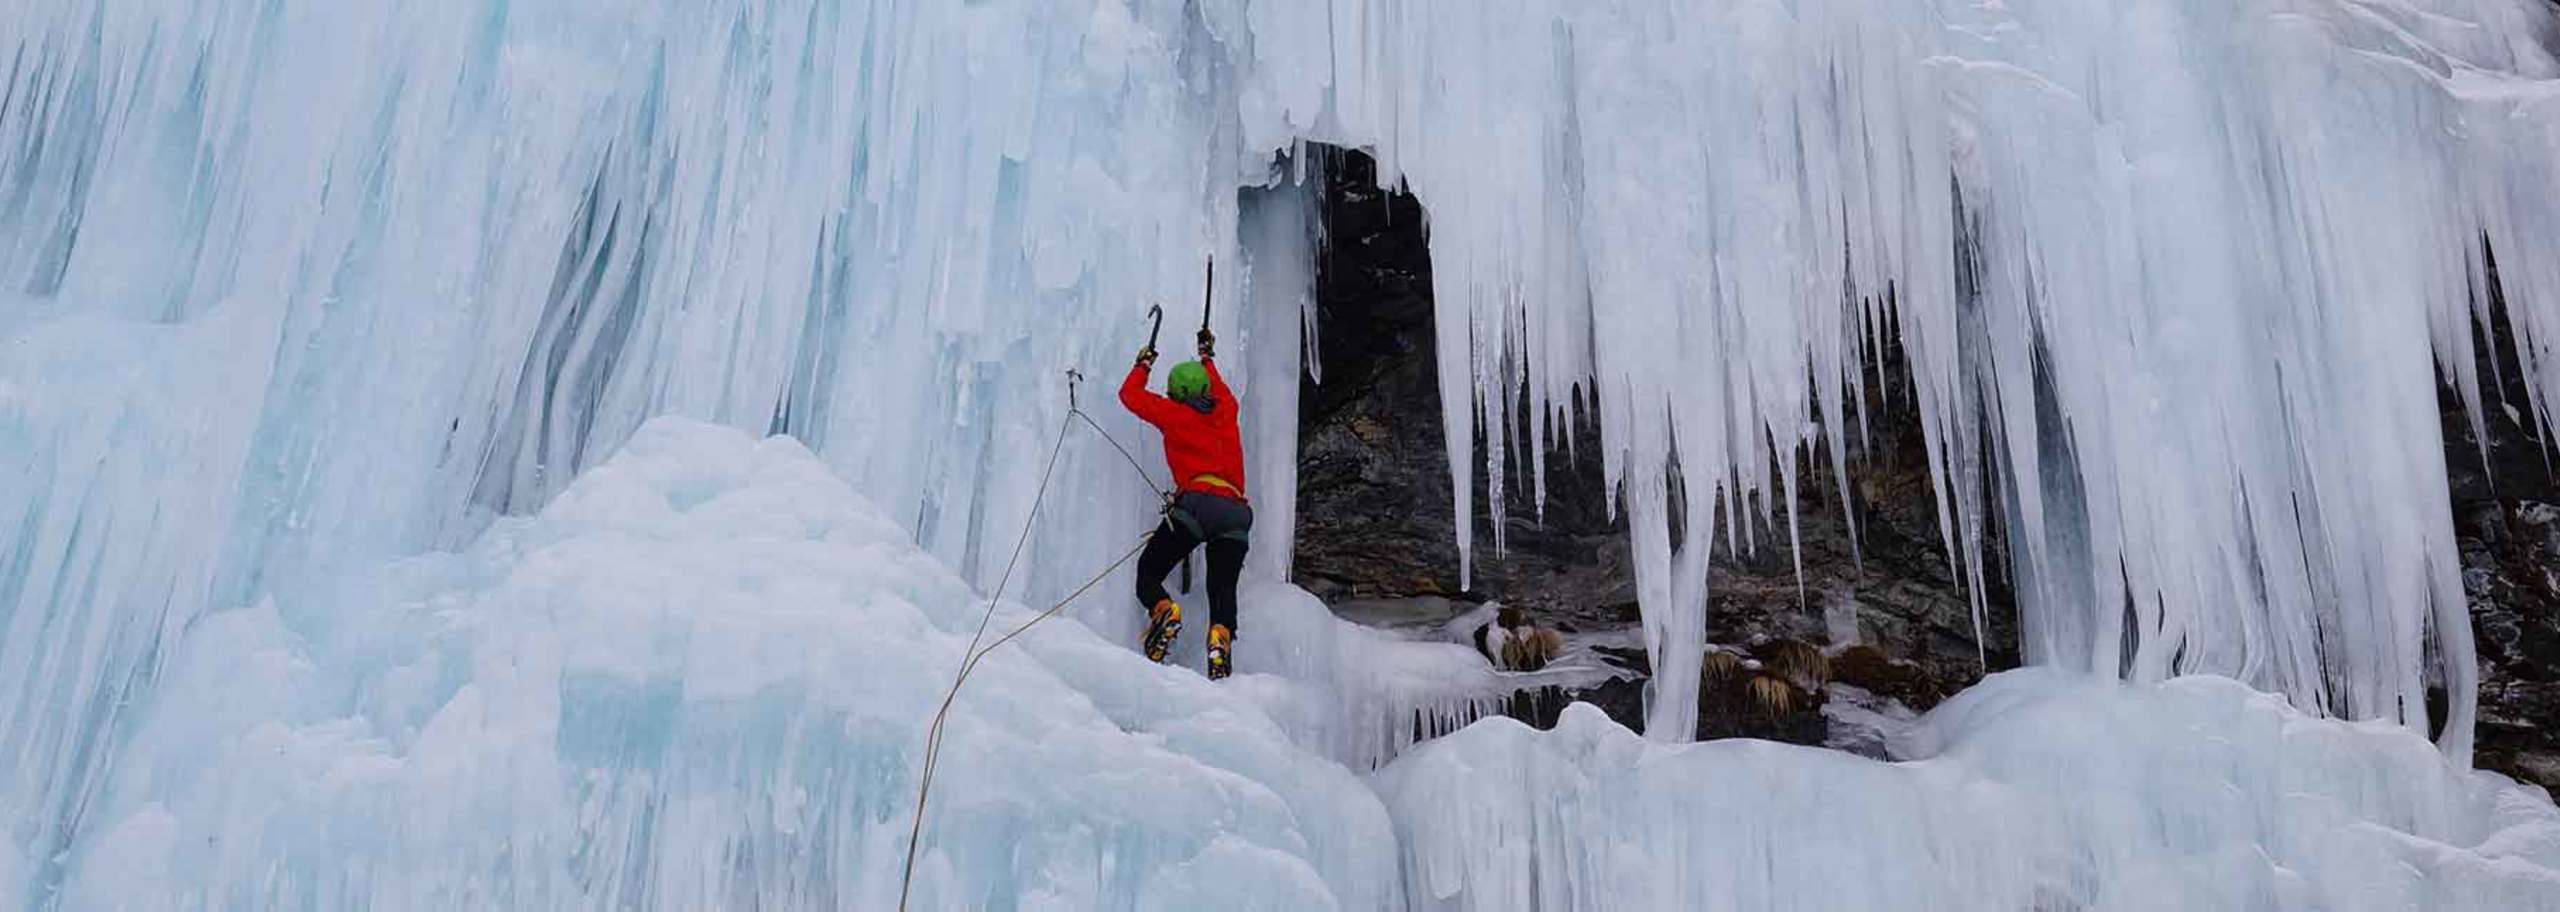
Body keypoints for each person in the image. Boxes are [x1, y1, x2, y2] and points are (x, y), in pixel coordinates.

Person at [1120, 327, 1252, 680]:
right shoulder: (1226, 407)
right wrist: (1207, 355)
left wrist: (1144, 363)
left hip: (1197, 505)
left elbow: (1130, 396)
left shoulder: (1173, 413)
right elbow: (1216, 381)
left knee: (1149, 571)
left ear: (1176, 395)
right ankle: (1220, 640)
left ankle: (1164, 610)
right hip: (1236, 512)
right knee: (1222, 588)